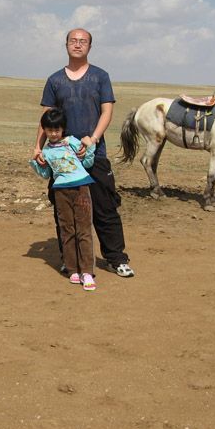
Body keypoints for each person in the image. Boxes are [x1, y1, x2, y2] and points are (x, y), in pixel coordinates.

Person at [33, 27, 134, 278]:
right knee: (64, 211)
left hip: (93, 154)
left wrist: (94, 139)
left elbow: (107, 111)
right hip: (61, 157)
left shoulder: (100, 77)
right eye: (73, 41)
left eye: (83, 41)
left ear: (90, 46)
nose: (78, 45)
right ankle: (71, 262)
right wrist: (38, 146)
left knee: (105, 207)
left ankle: (115, 258)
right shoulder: (55, 80)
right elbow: (46, 117)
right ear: (66, 44)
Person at [30, 108, 97, 291]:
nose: (53, 134)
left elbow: (87, 162)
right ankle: (72, 268)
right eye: (49, 130)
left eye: (57, 130)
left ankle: (87, 272)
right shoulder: (47, 152)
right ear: (44, 129)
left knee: (83, 230)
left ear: (63, 129)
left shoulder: (72, 142)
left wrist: (89, 146)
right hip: (61, 192)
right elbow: (45, 174)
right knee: (67, 230)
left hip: (81, 188)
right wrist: (36, 161)